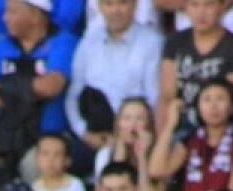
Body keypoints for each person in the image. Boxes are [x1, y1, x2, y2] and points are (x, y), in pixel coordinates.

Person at [0, 0, 80, 179]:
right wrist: (31, 88)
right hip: (5, 137)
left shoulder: (62, 42)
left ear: (35, 16)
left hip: (47, 137)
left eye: (12, 12)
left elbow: (51, 87)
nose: (5, 18)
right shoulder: (2, 45)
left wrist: (5, 85)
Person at [65, 0, 162, 155]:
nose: (115, 10)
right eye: (108, 4)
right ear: (100, 7)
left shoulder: (152, 43)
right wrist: (84, 133)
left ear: (135, 5)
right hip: (95, 134)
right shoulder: (88, 43)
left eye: (123, 3)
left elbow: (155, 99)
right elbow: (73, 96)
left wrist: (127, 137)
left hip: (137, 136)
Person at [150, 78, 233, 191]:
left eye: (220, 99)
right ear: (198, 107)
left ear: (232, 107)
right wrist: (170, 125)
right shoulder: (189, 141)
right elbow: (157, 170)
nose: (213, 106)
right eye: (207, 99)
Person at [159, 0, 233, 130]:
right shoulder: (175, 41)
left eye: (209, 5)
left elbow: (230, 98)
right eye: (194, 5)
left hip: (218, 128)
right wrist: (163, 136)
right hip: (181, 127)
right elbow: (167, 96)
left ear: (222, 7)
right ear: (185, 8)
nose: (201, 12)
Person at [92, 97, 158, 191]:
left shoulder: (157, 153)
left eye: (139, 118)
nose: (133, 124)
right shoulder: (105, 154)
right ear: (118, 124)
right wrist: (120, 148)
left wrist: (142, 157)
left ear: (149, 124)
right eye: (127, 118)